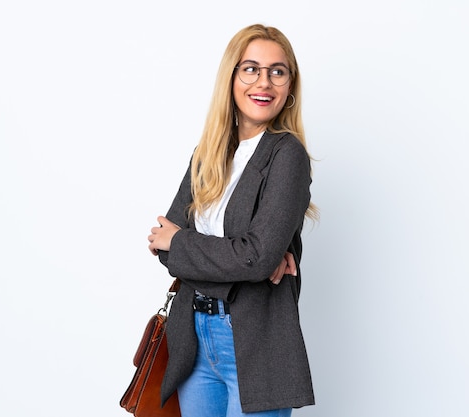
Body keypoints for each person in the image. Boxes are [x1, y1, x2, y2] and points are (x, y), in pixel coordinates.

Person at [147, 23, 317, 417]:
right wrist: (246, 260)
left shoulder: (286, 155)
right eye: (251, 69)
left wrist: (192, 248)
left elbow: (253, 258)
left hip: (251, 340)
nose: (265, 82)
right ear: (232, 78)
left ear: (290, 86)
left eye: (278, 71)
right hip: (194, 335)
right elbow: (162, 244)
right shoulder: (209, 152)